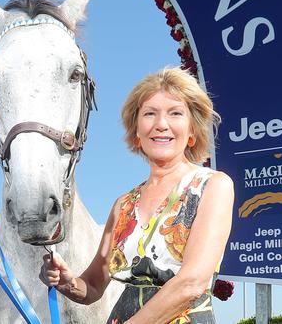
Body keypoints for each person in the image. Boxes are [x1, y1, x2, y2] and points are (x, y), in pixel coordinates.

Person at [39, 67, 234, 323]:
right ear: (137, 132)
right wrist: (68, 282)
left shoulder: (213, 185)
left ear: (192, 131)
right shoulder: (123, 204)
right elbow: (94, 285)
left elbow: (191, 283)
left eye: (175, 113)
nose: (161, 124)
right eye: (150, 114)